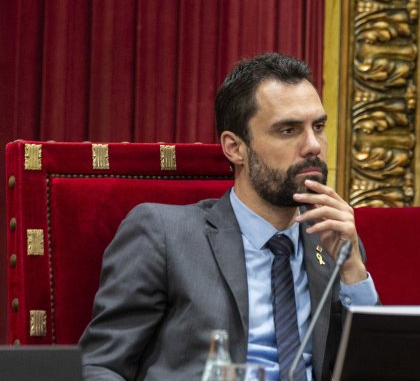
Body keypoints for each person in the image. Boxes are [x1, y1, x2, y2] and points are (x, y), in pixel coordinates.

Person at [79, 52, 379, 380]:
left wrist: (353, 269)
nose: (313, 146)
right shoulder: (164, 235)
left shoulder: (334, 243)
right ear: (235, 148)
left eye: (318, 127)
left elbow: (377, 367)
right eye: (288, 130)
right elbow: (100, 366)